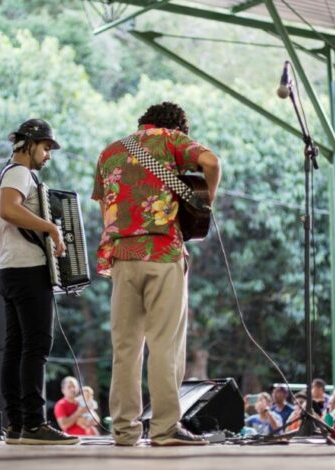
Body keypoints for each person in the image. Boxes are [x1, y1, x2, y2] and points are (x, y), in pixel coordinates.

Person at [92, 102, 221, 447]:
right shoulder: (170, 140)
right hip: (163, 252)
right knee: (165, 344)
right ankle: (165, 430)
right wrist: (207, 203)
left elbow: (104, 206)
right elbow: (211, 162)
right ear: (178, 127)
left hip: (122, 256)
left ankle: (124, 430)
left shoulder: (110, 152)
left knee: (125, 347)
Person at [0, 119, 77, 446]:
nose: (48, 156)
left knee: (16, 349)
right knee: (36, 347)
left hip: (10, 269)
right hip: (27, 269)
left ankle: (16, 424)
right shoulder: (18, 173)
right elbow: (9, 208)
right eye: (45, 148)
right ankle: (34, 424)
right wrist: (52, 229)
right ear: (29, 144)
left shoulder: (9, 174)